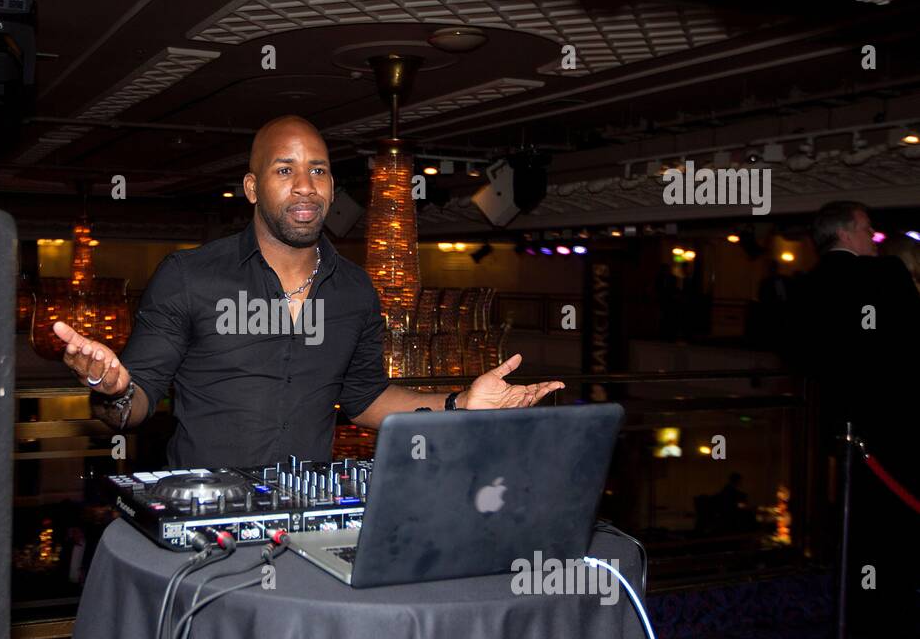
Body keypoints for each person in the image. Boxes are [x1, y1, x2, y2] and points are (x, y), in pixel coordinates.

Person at [52, 114, 564, 469]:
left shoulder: (356, 291)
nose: (305, 185)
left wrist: (460, 405)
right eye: (284, 170)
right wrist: (113, 389)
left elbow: (364, 399)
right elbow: (132, 407)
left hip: (305, 517)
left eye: (317, 170)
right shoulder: (189, 277)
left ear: (332, 187)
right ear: (252, 188)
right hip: (208, 519)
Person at [787, 201, 920, 639]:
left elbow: (800, 357)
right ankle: (887, 621)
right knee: (891, 530)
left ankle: (857, 617)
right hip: (892, 427)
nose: (873, 237)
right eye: (866, 228)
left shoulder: (805, 287)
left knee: (854, 525)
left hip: (839, 427)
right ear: (845, 234)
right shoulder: (887, 277)